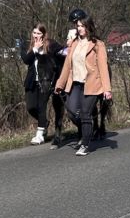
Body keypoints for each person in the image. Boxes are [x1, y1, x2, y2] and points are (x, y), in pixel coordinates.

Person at [55, 15, 112, 156]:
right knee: (72, 112)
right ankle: (87, 129)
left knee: (86, 113)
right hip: (75, 83)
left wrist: (107, 89)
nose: (80, 28)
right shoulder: (73, 43)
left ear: (89, 27)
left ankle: (85, 143)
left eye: (83, 26)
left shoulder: (97, 44)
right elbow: (67, 66)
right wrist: (60, 84)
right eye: (78, 26)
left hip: (92, 84)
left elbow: (103, 68)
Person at [21, 24, 63, 144]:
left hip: (45, 81)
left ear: (44, 34)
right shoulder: (26, 44)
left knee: (41, 107)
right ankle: (44, 122)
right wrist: (35, 49)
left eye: (39, 33)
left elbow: (62, 51)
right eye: (34, 33)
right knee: (31, 107)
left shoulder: (50, 44)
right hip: (31, 81)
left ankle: (40, 135)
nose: (36, 35)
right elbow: (26, 60)